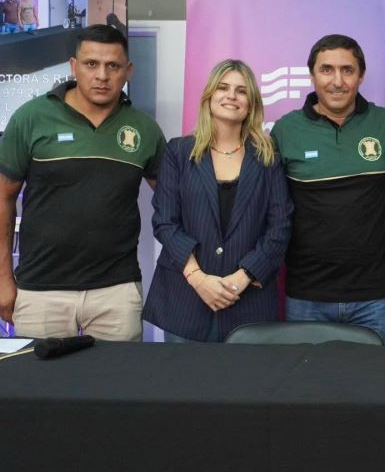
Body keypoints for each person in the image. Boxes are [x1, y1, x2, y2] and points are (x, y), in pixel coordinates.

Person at [0, 24, 165, 340]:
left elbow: (175, 204)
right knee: (36, 375)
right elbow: (3, 199)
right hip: (40, 290)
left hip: (116, 292)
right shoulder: (31, 118)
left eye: (113, 66)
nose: (102, 75)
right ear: (74, 66)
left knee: (118, 375)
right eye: (91, 64)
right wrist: (3, 280)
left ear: (128, 71)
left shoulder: (144, 129)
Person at [270, 34, 385, 345]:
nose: (337, 81)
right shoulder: (286, 130)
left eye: (347, 70)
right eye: (326, 70)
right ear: (312, 75)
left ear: (361, 75)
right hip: (306, 294)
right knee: (304, 376)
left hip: (372, 296)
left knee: (372, 375)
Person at [144, 60, 292, 342]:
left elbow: (280, 226)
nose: (231, 96)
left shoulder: (267, 156)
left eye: (241, 91)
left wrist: (244, 276)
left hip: (249, 304)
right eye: (223, 88)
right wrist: (198, 278)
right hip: (185, 301)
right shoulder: (178, 152)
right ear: (209, 96)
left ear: (251, 103)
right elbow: (165, 222)